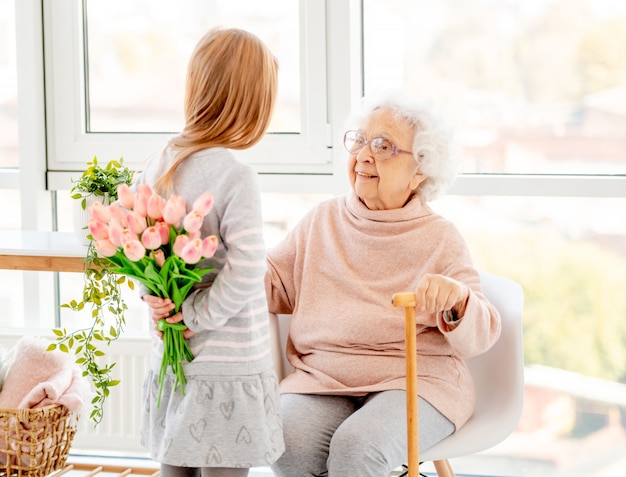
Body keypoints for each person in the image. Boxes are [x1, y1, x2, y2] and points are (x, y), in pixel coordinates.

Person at [265, 89, 502, 476]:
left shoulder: (440, 237)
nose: (363, 155)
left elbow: (481, 335)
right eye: (359, 140)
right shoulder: (321, 221)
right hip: (324, 378)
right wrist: (204, 271)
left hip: (419, 381)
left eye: (384, 146)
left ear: (420, 168)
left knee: (357, 448)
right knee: (287, 442)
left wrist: (457, 300)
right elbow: (271, 282)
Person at [136, 27, 284, 477]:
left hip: (177, 358)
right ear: (251, 105)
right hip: (229, 362)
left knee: (174, 465)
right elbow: (247, 266)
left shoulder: (159, 163)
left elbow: (142, 250)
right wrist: (197, 314)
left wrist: (156, 303)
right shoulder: (236, 175)